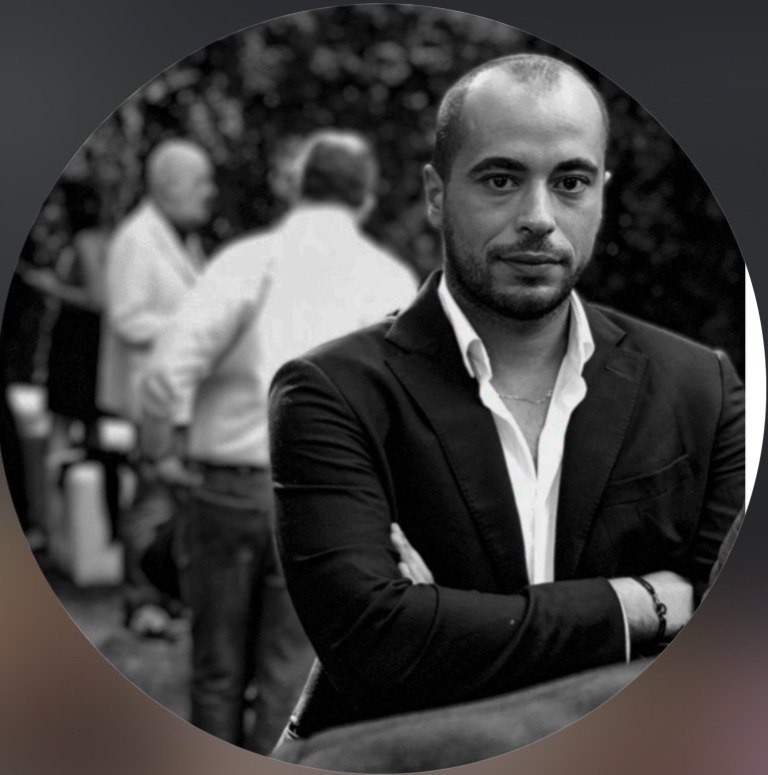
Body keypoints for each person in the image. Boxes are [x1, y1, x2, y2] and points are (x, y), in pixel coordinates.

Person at [268, 54, 745, 740]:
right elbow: (378, 647)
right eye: (501, 179)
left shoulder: (700, 385)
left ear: (601, 193)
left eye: (571, 182)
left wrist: (449, 623)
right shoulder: (333, 392)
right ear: (436, 194)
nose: (538, 218)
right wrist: (636, 603)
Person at [139, 129, 416, 753]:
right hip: (327, 501)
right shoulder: (390, 280)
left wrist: (160, 453)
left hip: (228, 491)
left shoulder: (247, 261)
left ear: (297, 188)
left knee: (215, 667)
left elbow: (165, 371)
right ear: (367, 198)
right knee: (290, 675)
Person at [97, 138, 216, 636]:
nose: (210, 192)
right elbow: (127, 318)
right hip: (153, 401)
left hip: (179, 399)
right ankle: (140, 602)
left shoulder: (180, 238)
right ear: (169, 185)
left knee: (176, 501)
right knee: (152, 501)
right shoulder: (136, 239)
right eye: (200, 182)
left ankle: (168, 597)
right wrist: (195, 326)